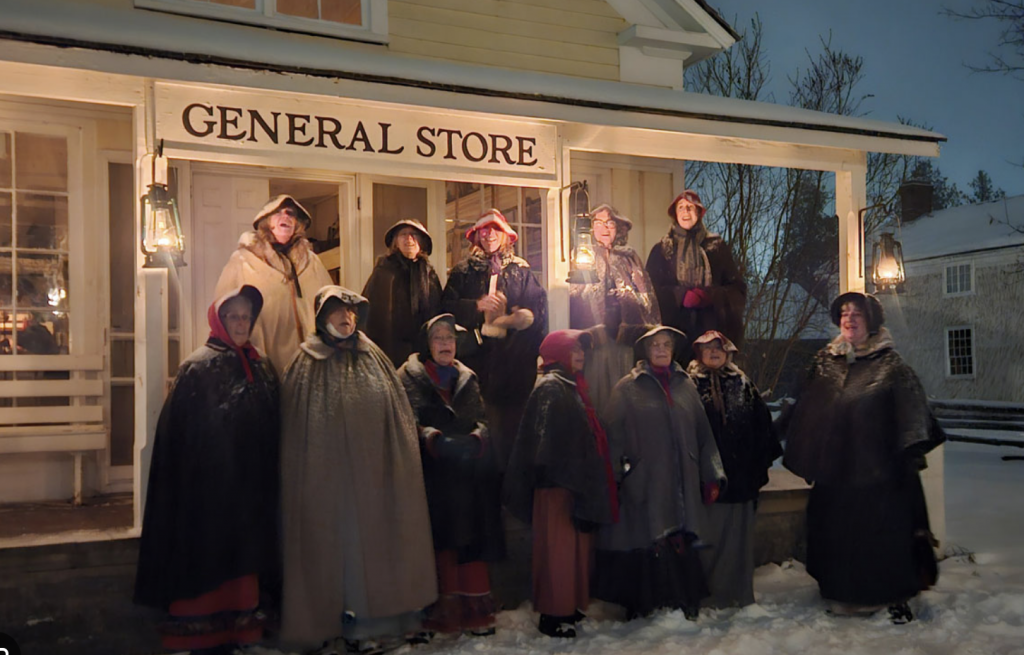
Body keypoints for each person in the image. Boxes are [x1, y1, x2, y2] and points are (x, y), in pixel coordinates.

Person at [279, 286, 436, 654]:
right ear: (322, 317)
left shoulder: (374, 357)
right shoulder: (305, 363)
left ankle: (379, 623)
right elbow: (297, 429)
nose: (346, 319)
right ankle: (338, 623)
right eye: (337, 312)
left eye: (351, 313)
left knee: (378, 545)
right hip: (329, 483)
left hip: (375, 480)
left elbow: (396, 415)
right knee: (339, 550)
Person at [780, 291, 944, 624]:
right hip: (836, 473)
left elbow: (912, 411)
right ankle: (842, 593)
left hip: (881, 475)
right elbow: (801, 407)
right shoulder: (826, 362)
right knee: (836, 533)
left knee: (883, 538)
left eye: (857, 312)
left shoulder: (890, 364)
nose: (850, 318)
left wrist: (909, 454)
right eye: (844, 313)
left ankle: (893, 597)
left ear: (871, 320)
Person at [134, 285, 280, 655]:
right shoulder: (198, 367)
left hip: (249, 487)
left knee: (245, 557)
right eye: (234, 316)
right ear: (219, 320)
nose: (242, 323)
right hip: (207, 489)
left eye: (247, 316)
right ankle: (198, 634)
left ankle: (244, 630)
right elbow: (179, 435)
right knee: (207, 556)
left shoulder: (260, 365)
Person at [593, 325, 725, 621]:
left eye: (667, 344)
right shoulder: (627, 388)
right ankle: (645, 603)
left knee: (681, 535)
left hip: (684, 480)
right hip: (646, 482)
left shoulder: (686, 385)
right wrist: (617, 475)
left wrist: (711, 473)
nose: (662, 349)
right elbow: (611, 436)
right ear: (645, 350)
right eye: (655, 345)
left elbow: (704, 434)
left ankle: (682, 598)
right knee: (648, 538)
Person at [503, 330, 617, 639]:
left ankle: (570, 606)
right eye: (574, 349)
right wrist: (567, 477)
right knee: (558, 552)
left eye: (582, 349)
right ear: (558, 353)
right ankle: (553, 614)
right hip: (557, 487)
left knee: (575, 550)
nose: (581, 354)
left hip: (572, 484)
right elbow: (547, 442)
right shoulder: (552, 387)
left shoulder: (573, 386)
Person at [397, 314, 505, 637]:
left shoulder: (467, 378)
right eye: (439, 339)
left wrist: (477, 438)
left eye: (450, 339)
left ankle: (473, 609)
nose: (445, 345)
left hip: (466, 472)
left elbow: (482, 418)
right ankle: (441, 610)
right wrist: (430, 438)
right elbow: (404, 419)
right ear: (427, 345)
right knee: (438, 538)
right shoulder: (408, 377)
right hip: (429, 477)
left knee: (470, 536)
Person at [442, 208, 547, 467]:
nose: (490, 235)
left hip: (514, 370)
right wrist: (477, 307)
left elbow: (537, 314)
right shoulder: (462, 272)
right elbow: (445, 310)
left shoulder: (522, 272)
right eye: (484, 231)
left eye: (495, 230)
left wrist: (517, 320)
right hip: (473, 368)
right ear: (476, 236)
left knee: (512, 438)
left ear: (506, 236)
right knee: (476, 435)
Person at [686, 330, 782, 608]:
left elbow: (762, 429)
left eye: (719, 347)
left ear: (729, 352)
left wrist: (756, 469)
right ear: (699, 353)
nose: (714, 352)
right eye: (708, 348)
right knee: (707, 540)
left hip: (740, 481)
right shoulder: (688, 386)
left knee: (736, 543)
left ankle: (735, 595)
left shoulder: (744, 384)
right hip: (704, 482)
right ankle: (704, 597)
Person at [214, 194, 333, 374]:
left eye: (291, 214)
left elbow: (330, 306)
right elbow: (221, 314)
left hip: (311, 367)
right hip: (262, 365)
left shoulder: (312, 263)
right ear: (266, 221)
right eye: (278, 213)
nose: (285, 217)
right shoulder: (243, 261)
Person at [645, 190, 746, 359]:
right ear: (675, 214)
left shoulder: (716, 248)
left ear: (699, 213)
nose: (686, 212)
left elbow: (737, 289)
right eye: (681, 207)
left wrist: (710, 296)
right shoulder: (662, 250)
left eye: (691, 208)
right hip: (674, 334)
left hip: (711, 334)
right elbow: (650, 292)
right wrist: (680, 296)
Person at [361, 219, 443, 367]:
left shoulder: (429, 274)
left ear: (421, 242)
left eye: (414, 235)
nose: (409, 239)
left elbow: (437, 312)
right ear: (395, 242)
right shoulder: (384, 272)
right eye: (403, 234)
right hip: (390, 353)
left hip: (423, 354)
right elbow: (370, 316)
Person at [569, 203, 660, 330]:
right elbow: (572, 294)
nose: (605, 228)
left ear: (618, 228)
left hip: (626, 331)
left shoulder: (629, 257)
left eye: (610, 223)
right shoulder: (581, 254)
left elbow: (645, 295)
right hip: (591, 329)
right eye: (598, 223)